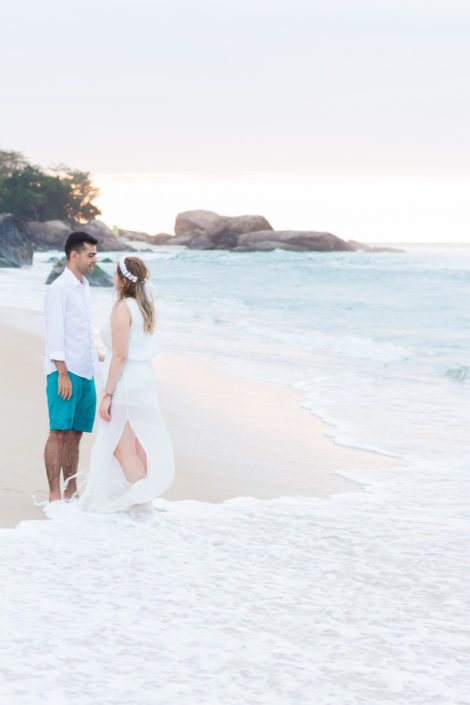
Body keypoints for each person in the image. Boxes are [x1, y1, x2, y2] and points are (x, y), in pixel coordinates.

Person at [78, 256, 175, 515]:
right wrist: (101, 356)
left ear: (122, 280)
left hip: (127, 383)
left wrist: (107, 393)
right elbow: (125, 350)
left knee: (122, 449)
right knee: (139, 444)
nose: (112, 279)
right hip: (144, 380)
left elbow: (121, 355)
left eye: (114, 275)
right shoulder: (144, 306)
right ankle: (145, 505)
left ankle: (143, 508)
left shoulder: (122, 307)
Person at [43, 232, 100, 502]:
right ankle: (54, 493)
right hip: (64, 371)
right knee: (59, 432)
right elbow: (54, 333)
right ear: (74, 255)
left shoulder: (85, 286)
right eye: (90, 255)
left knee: (76, 435)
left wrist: (98, 356)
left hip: (86, 371)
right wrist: (62, 373)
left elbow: (81, 331)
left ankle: (71, 490)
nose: (95, 260)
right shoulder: (58, 288)